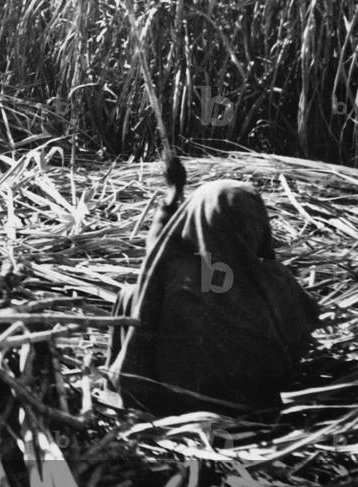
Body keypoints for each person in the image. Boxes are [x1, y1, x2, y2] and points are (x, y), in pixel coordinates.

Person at [109, 176, 320, 415]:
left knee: (131, 296)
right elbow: (303, 332)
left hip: (184, 407)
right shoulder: (276, 278)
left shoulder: (178, 277)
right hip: (257, 405)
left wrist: (170, 200)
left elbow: (155, 255)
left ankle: (128, 399)